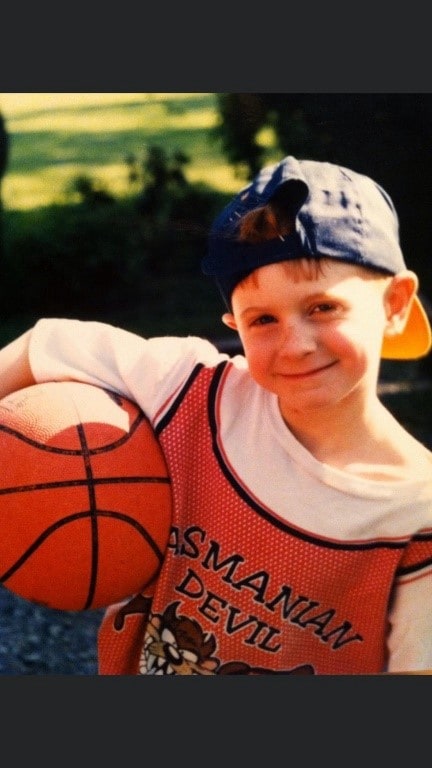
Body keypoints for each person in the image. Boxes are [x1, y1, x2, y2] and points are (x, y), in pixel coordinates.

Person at [0, 155, 431, 675]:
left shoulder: (416, 517)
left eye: (322, 307)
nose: (294, 344)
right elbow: (50, 342)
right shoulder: (193, 390)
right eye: (263, 319)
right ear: (234, 324)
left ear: (395, 303)